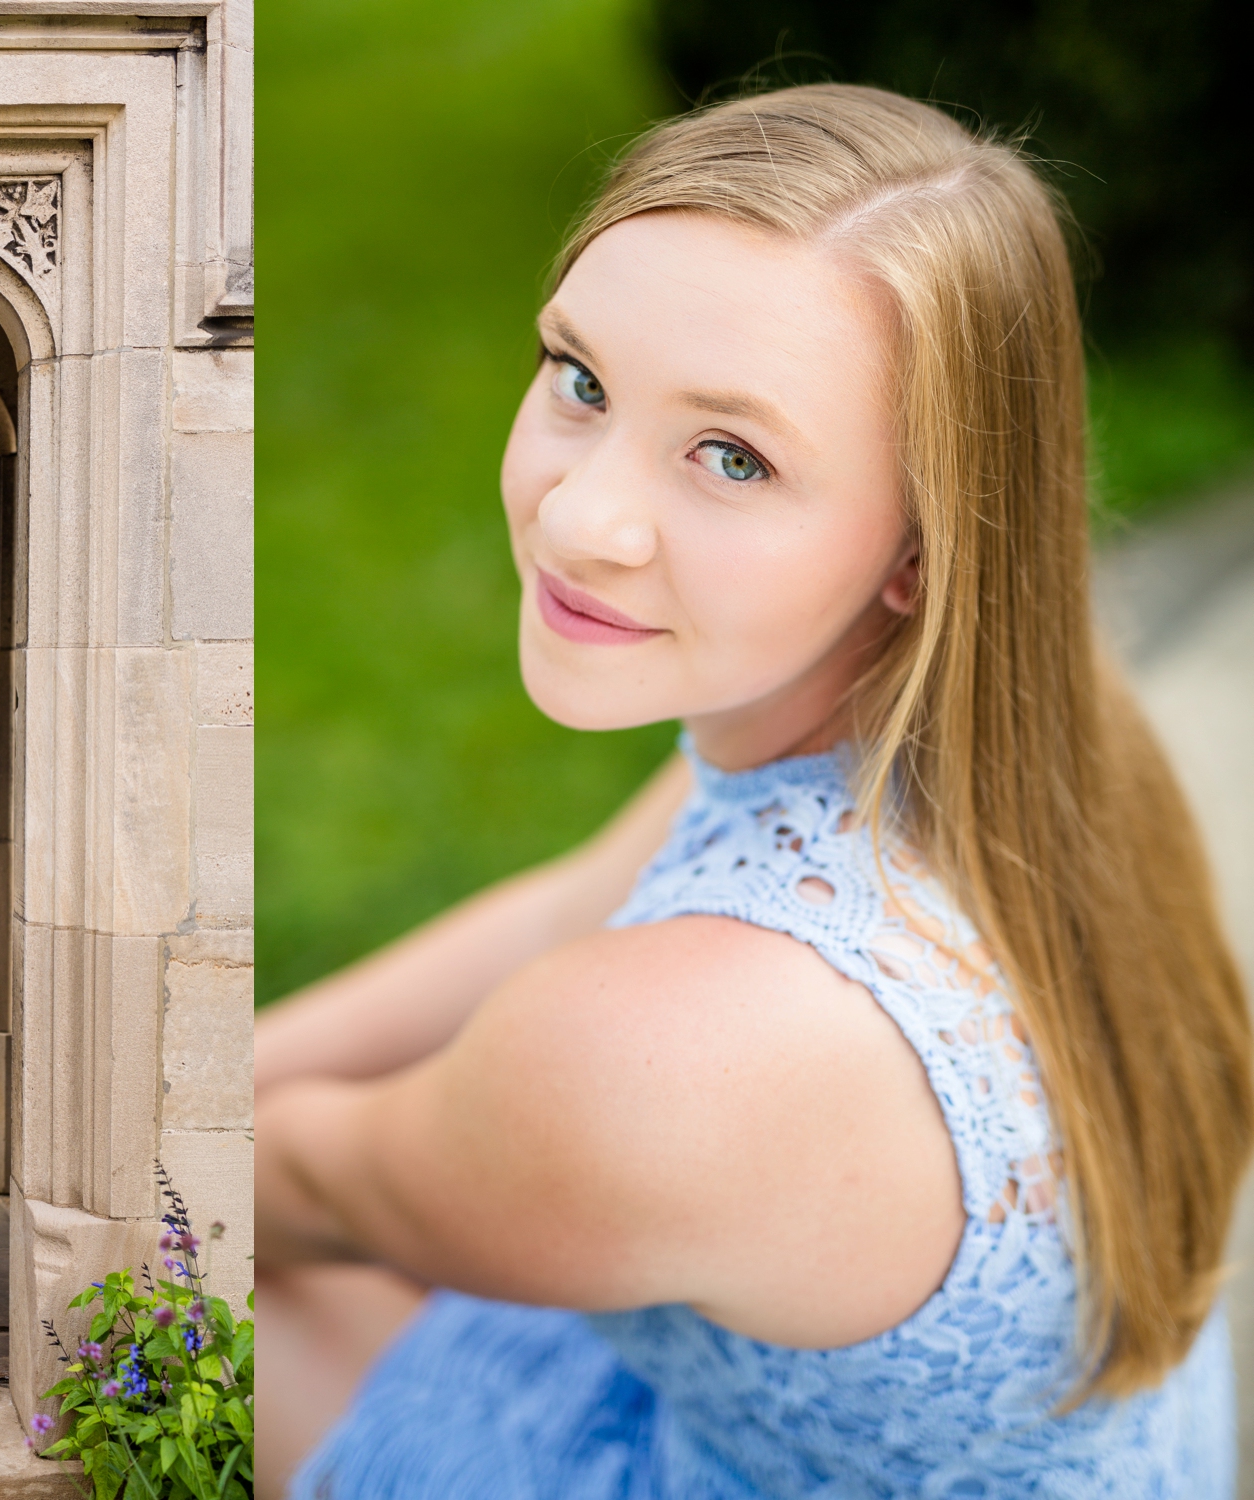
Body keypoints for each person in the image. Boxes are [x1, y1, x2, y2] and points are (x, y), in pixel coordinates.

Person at [254, 84, 1253, 1497]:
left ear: (922, 545)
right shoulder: (1032, 731)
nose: (581, 517)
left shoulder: (674, 1057)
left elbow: (286, 1186)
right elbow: (561, 909)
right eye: (581, 379)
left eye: (734, 455)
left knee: (201, 1283)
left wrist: (153, 1133)